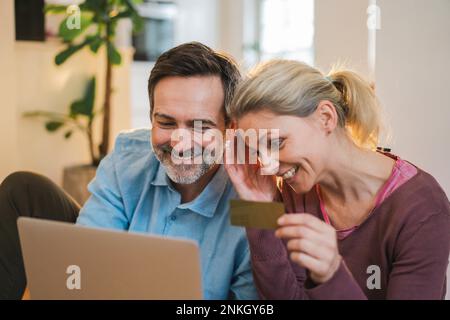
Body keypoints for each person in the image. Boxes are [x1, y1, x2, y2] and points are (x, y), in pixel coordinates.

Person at [0, 42, 258, 300]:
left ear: (230, 128)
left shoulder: (255, 196)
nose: (180, 142)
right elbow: (88, 254)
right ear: (151, 118)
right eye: (166, 122)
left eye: (200, 127)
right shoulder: (128, 156)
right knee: (22, 188)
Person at [224, 59, 450, 299]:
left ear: (326, 117)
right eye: (258, 151)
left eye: (276, 143)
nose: (268, 166)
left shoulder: (424, 209)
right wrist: (258, 211)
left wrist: (332, 273)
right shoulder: (292, 187)